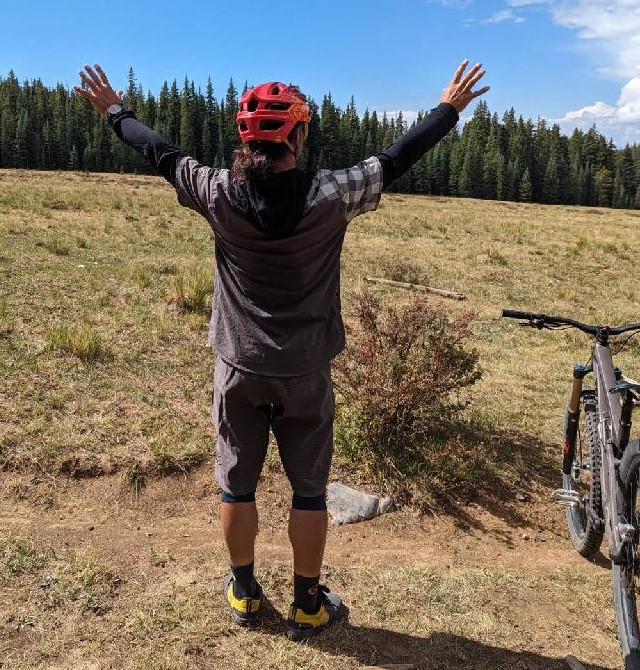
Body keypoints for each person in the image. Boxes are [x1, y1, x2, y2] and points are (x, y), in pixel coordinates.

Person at [75, 60, 488, 641]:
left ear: (246, 138)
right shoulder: (331, 194)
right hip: (305, 373)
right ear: (296, 136)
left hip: (239, 368)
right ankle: (309, 605)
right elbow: (395, 159)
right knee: (311, 491)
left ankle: (244, 595)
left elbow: (161, 154)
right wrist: (449, 108)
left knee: (236, 485)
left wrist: (115, 111)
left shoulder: (217, 191)